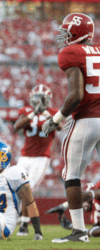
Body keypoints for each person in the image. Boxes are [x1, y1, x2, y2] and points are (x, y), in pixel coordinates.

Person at [42, 13, 100, 243]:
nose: (64, 37)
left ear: (78, 33)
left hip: (86, 119)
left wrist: (55, 119)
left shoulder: (71, 53)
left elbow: (75, 95)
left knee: (72, 175)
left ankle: (79, 231)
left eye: (68, 32)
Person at [13, 84, 61, 236]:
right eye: (36, 98)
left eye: (42, 99)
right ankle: (19, 221)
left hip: (41, 157)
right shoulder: (26, 110)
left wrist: (46, 114)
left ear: (47, 100)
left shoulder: (53, 112)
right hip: (25, 156)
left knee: (29, 189)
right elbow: (17, 126)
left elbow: (59, 127)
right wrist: (33, 113)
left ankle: (24, 225)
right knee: (18, 189)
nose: (38, 101)